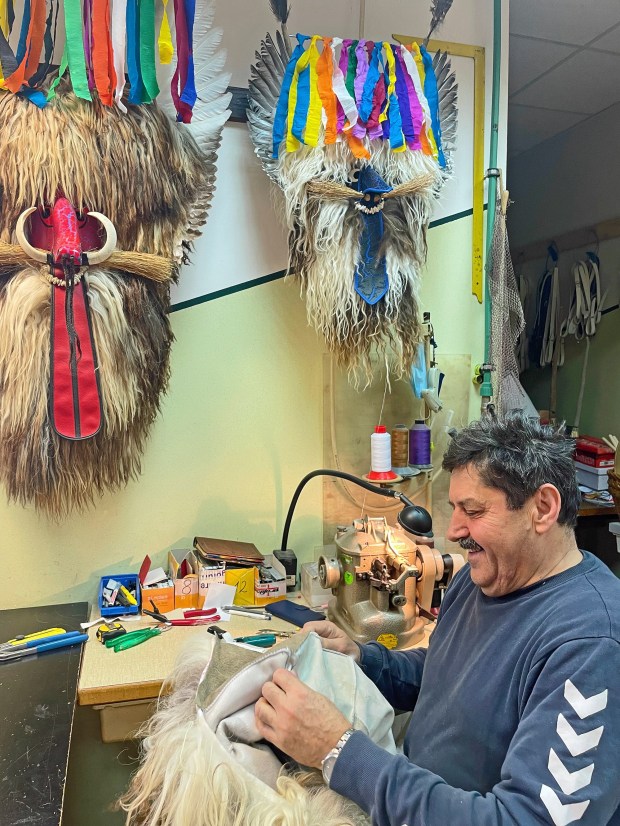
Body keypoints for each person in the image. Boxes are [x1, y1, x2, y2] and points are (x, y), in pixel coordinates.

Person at [255, 413, 620, 825]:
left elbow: (522, 819)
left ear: (543, 508)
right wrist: (362, 658)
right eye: (454, 509)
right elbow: (446, 674)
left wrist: (338, 750)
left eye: (474, 510)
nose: (455, 531)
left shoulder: (590, 645)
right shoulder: (482, 579)